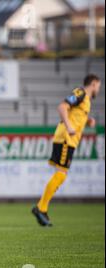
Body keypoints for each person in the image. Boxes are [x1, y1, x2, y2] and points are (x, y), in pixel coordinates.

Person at [32, 74, 102, 227]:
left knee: (61, 174)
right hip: (66, 137)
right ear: (94, 83)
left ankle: (41, 208)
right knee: (61, 173)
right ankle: (40, 208)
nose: (99, 89)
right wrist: (69, 126)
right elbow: (63, 106)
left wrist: (87, 120)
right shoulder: (80, 93)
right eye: (99, 85)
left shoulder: (86, 101)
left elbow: (75, 114)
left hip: (68, 139)